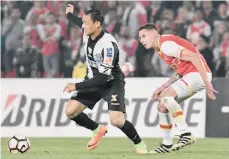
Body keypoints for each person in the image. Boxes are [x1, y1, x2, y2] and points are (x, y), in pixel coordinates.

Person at [63, 4, 147, 154]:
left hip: (111, 83)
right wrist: (69, 14)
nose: (83, 26)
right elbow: (76, 21)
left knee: (117, 120)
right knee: (70, 111)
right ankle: (97, 129)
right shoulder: (87, 29)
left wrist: (76, 86)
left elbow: (102, 78)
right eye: (83, 23)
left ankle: (139, 144)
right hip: (92, 79)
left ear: (97, 24)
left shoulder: (108, 45)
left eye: (86, 23)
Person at [138, 23, 218, 153]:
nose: (141, 40)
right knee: (162, 106)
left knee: (166, 97)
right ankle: (166, 144)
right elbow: (179, 71)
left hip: (198, 74)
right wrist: (163, 86)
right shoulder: (160, 49)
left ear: (154, 34)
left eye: (143, 36)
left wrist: (208, 84)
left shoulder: (165, 45)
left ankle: (185, 134)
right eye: (140, 38)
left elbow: (195, 57)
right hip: (192, 75)